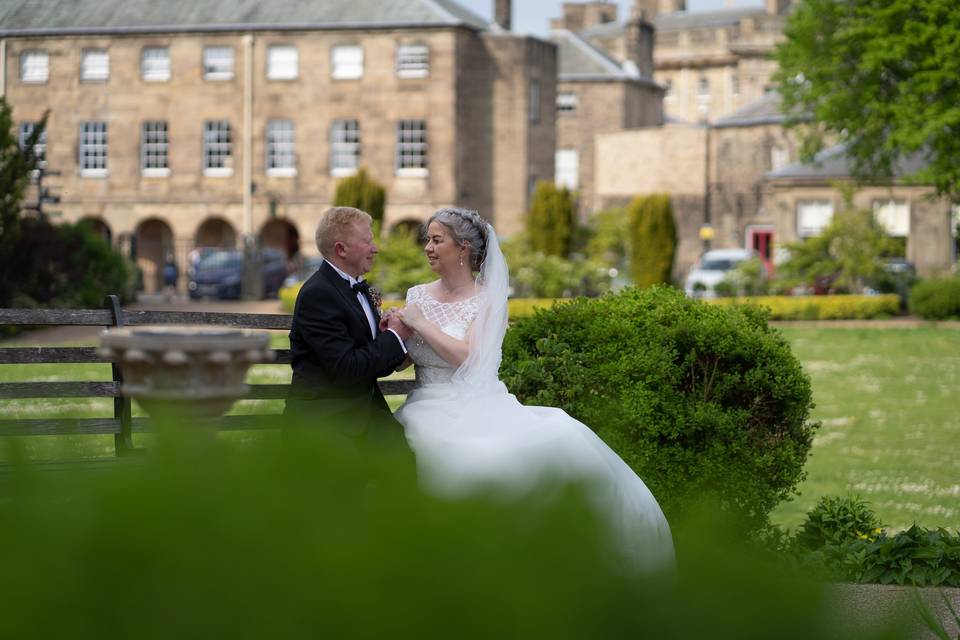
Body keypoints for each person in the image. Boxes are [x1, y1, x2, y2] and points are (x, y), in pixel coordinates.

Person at [387, 207, 674, 570]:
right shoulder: (418, 296)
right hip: (427, 403)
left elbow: (471, 358)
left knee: (547, 442)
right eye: (427, 239)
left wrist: (420, 324)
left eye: (436, 239)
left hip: (476, 403)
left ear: (462, 249)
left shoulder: (488, 300)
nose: (427, 247)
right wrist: (394, 334)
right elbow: (406, 361)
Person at [284, 207, 413, 451]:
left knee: (410, 458)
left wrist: (388, 335)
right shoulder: (318, 294)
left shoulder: (357, 288)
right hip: (326, 420)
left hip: (365, 413)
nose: (375, 248)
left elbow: (375, 366)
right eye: (367, 241)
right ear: (341, 249)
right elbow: (347, 368)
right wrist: (396, 336)